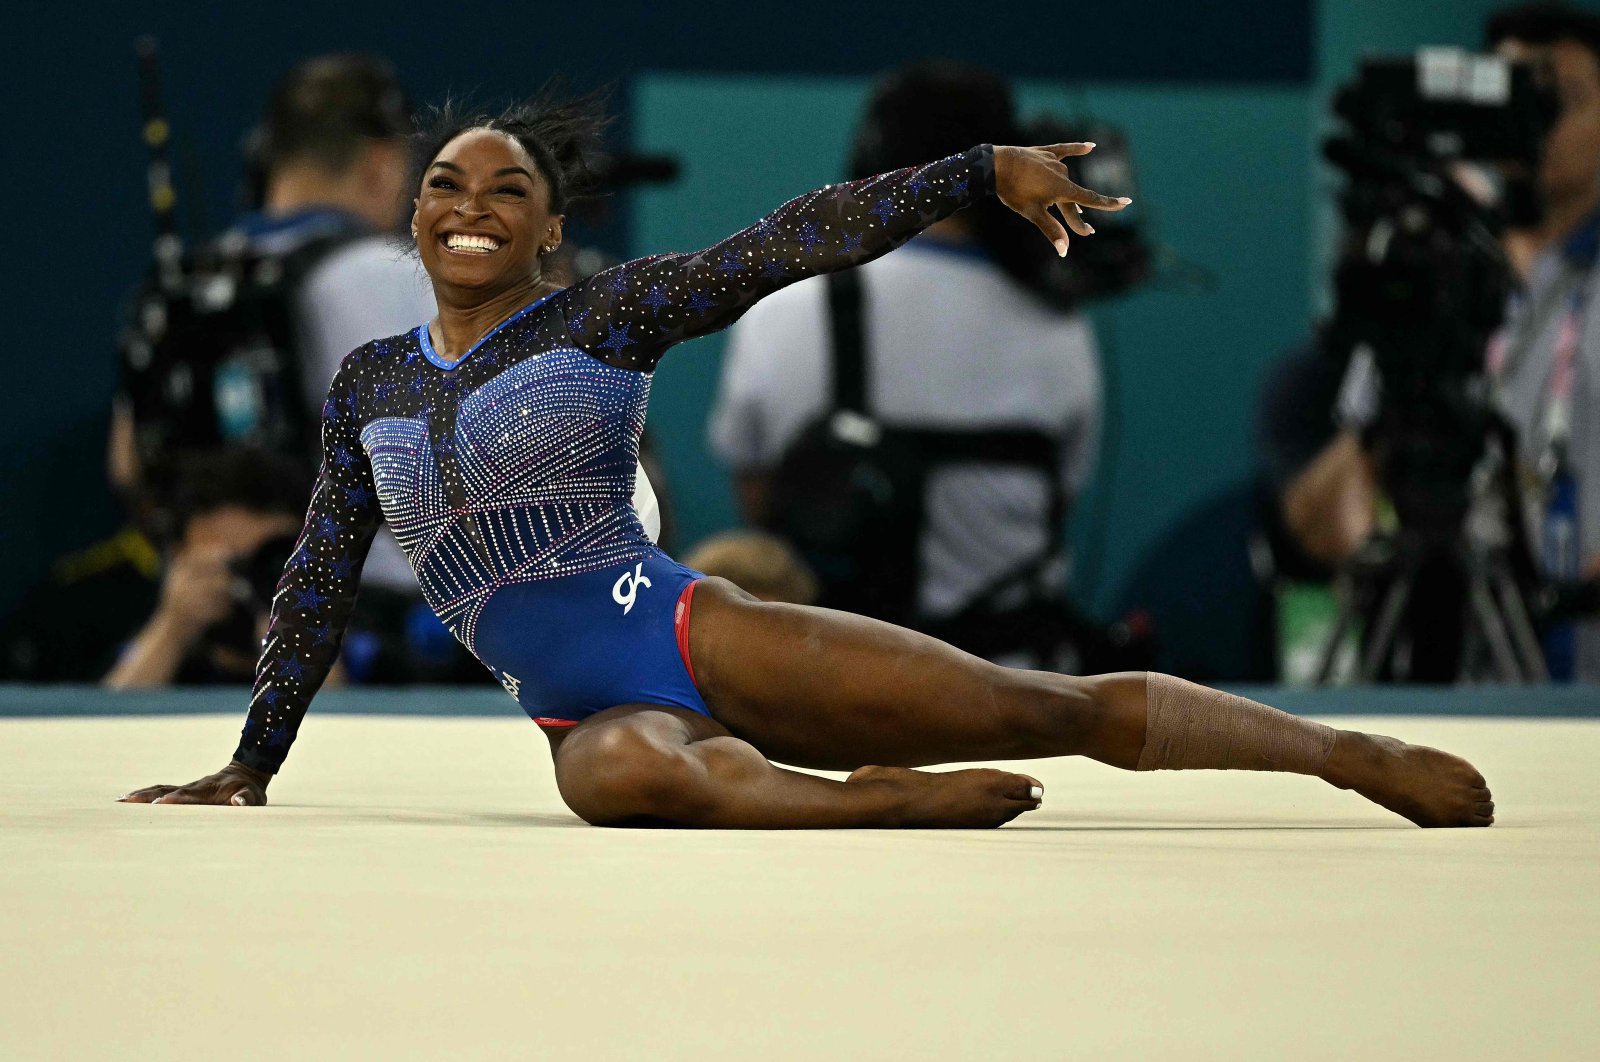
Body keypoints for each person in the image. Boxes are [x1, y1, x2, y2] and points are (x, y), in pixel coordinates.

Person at [120, 93, 1493, 829]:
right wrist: (252, 762)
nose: (466, 207)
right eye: (443, 184)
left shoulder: (607, 313)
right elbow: (316, 574)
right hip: (580, 712)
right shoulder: (368, 381)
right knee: (620, 785)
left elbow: (793, 241)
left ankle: (1341, 753)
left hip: (694, 630)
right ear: (414, 214)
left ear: (548, 231)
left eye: (507, 189)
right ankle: (866, 807)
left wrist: (969, 173)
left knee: (1044, 706)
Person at [709, 62, 1101, 663]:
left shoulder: (787, 304)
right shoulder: (1061, 327)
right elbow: (1056, 506)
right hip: (1017, 699)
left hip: (830, 695)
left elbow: (761, 503)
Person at [1271, 3, 1600, 679]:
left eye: (1564, 98)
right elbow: (1326, 524)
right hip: (1451, 656)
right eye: (1514, 95)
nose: (1543, 124)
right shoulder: (1430, 270)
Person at [0, 448, 305, 684]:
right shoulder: (126, 629)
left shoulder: (345, 632)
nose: (245, 582)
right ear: (176, 557)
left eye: (268, 564)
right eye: (229, 564)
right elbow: (90, 739)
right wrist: (173, 630)